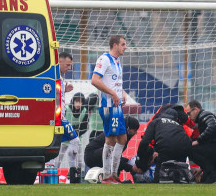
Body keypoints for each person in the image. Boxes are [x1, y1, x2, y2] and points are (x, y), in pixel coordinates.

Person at [91, 35, 128, 184]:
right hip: (108, 106)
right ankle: (107, 176)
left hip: (116, 106)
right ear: (115, 45)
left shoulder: (117, 61)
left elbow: (113, 82)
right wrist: (113, 93)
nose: (125, 47)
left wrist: (122, 92)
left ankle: (114, 173)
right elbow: (95, 80)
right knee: (111, 139)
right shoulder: (104, 59)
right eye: (123, 44)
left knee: (122, 138)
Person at [136, 105, 193, 181]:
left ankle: (158, 180)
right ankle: (182, 177)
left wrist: (141, 158)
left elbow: (144, 142)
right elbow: (187, 138)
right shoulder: (180, 126)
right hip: (184, 148)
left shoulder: (156, 121)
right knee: (178, 172)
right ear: (176, 118)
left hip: (165, 147)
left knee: (159, 174)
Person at [186, 100, 216, 184]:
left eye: (189, 113)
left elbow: (212, 127)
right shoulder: (204, 118)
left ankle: (215, 176)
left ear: (196, 110)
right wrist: (201, 168)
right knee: (205, 179)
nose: (189, 116)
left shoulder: (204, 115)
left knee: (190, 148)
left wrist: (198, 141)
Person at [63, 92, 90, 183]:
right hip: (65, 139)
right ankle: (53, 176)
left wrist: (76, 134)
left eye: (80, 102)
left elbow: (85, 127)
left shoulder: (84, 111)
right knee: (58, 159)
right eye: (76, 101)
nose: (78, 104)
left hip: (77, 140)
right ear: (73, 101)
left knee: (79, 161)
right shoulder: (66, 109)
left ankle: (75, 176)